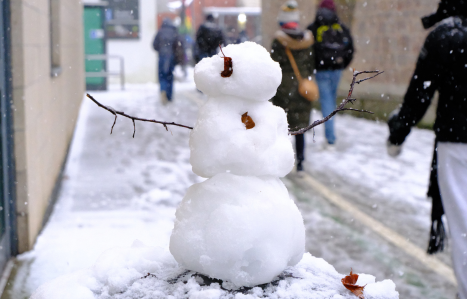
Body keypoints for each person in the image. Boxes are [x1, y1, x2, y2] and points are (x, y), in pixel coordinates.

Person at [386, 1, 467, 298]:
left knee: (463, 226)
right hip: (456, 140)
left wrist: (399, 131)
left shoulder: (447, 35)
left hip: (457, 143)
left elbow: (420, 92)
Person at [270, 0, 314, 172]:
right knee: (300, 128)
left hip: (284, 88)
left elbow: (273, 65)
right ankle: (301, 164)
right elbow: (310, 65)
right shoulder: (307, 41)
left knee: (283, 128)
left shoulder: (279, 40)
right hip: (303, 88)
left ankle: (282, 164)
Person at [307, 0, 354, 148]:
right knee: (331, 100)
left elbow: (307, 50)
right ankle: (331, 135)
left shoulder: (314, 27)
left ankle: (330, 139)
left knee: (327, 102)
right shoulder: (339, 26)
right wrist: (342, 64)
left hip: (321, 70)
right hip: (336, 69)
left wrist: (312, 66)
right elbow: (350, 48)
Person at [153, 18, 184, 104]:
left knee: (162, 75)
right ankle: (169, 96)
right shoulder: (174, 32)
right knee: (170, 77)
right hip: (171, 58)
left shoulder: (160, 32)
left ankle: (163, 90)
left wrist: (161, 50)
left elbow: (154, 45)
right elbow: (180, 45)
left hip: (162, 57)